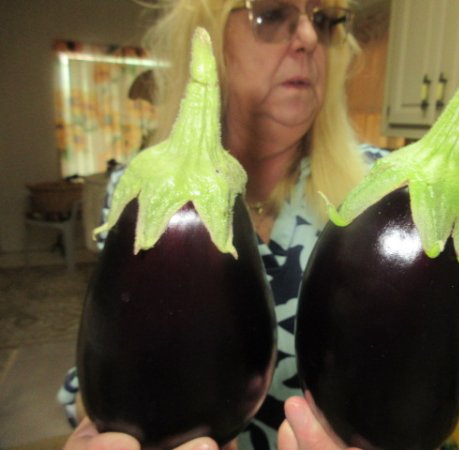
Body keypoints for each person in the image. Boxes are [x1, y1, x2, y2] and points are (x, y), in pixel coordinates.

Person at [61, 0, 386, 448]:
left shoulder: (383, 192)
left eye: (325, 19)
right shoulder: (141, 188)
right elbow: (107, 357)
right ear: (209, 35)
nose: (310, 38)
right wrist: (111, 423)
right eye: (272, 12)